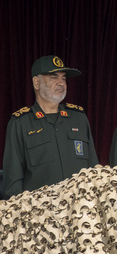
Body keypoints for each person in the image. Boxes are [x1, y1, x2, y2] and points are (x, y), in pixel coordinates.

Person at [1, 55, 98, 198]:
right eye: (54, 77)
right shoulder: (20, 123)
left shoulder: (79, 118)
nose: (61, 83)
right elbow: (13, 183)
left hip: (79, 212)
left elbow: (94, 172)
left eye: (64, 78)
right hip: (42, 215)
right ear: (36, 83)